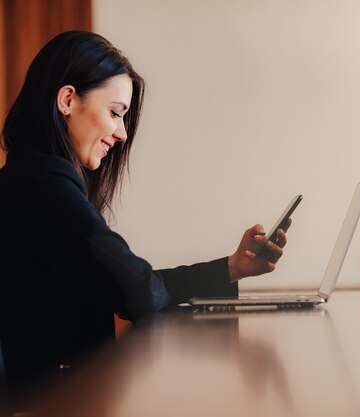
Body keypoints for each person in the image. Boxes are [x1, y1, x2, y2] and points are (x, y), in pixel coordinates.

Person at [0, 31, 290, 395]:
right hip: (53, 401)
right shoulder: (44, 181)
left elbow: (127, 286)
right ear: (67, 100)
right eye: (115, 113)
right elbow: (136, 287)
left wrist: (232, 267)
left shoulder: (31, 177)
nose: (121, 133)